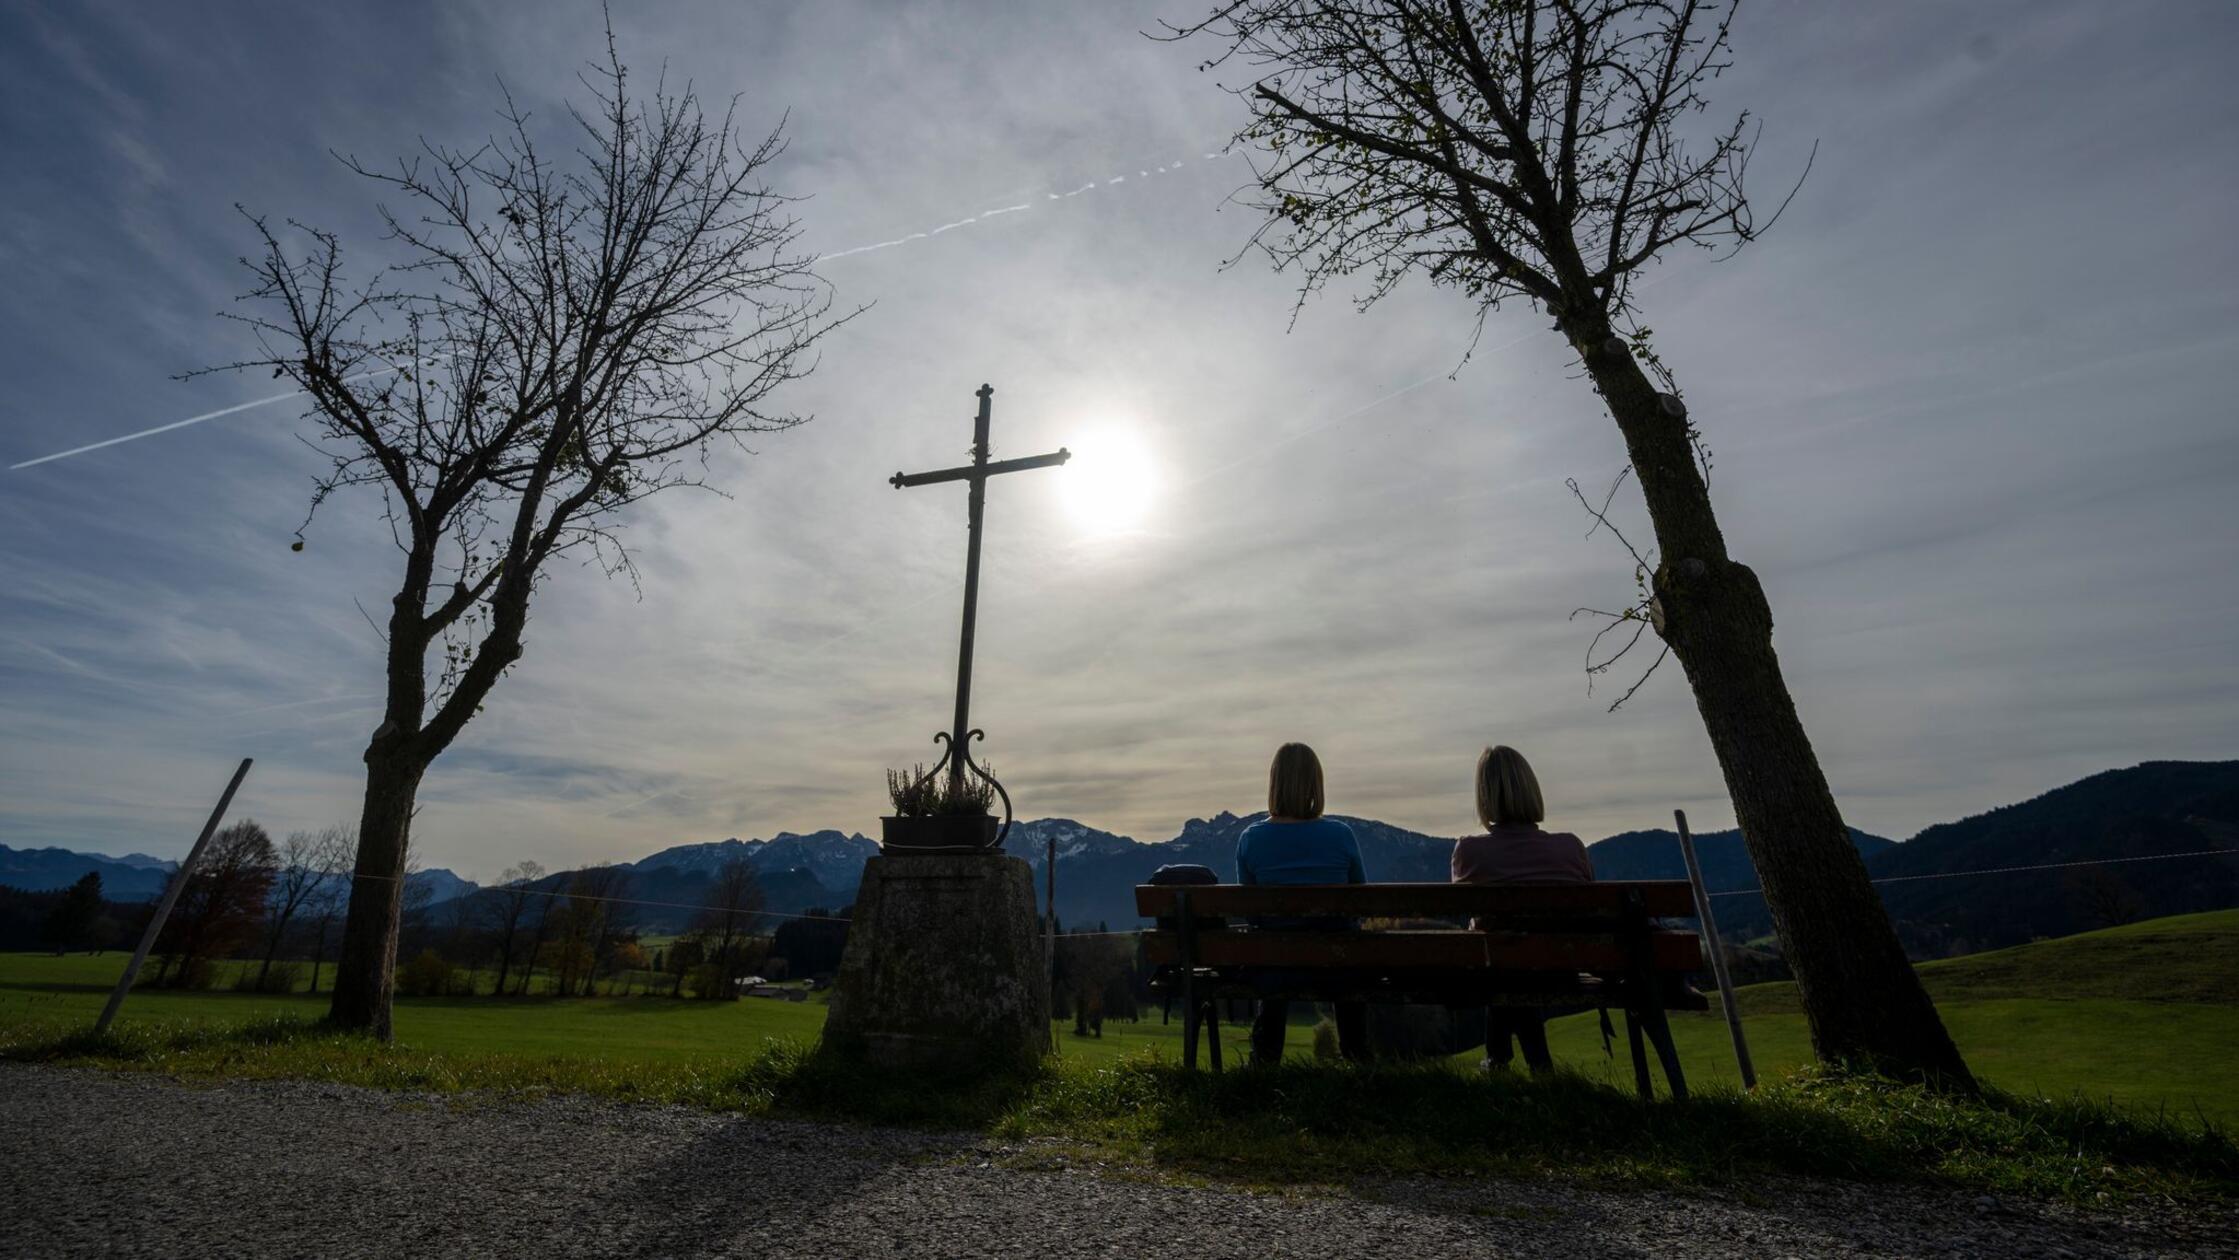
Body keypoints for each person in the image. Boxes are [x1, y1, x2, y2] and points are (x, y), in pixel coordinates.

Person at [1450, 745, 1594, 1073]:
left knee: (1506, 961)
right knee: (1518, 961)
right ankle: (1534, 1065)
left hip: (1500, 971)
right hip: (1561, 972)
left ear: (1483, 797)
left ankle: (1499, 1061)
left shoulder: (1469, 851)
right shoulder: (1571, 847)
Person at [1235, 742, 1369, 1065]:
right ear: (1316, 784)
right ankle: (1358, 1058)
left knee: (1270, 953)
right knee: (1345, 951)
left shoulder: (1251, 839)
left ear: (1274, 783)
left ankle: (1264, 1060)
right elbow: (1361, 901)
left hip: (1275, 968)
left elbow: (1251, 913)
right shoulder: (1342, 836)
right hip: (1336, 966)